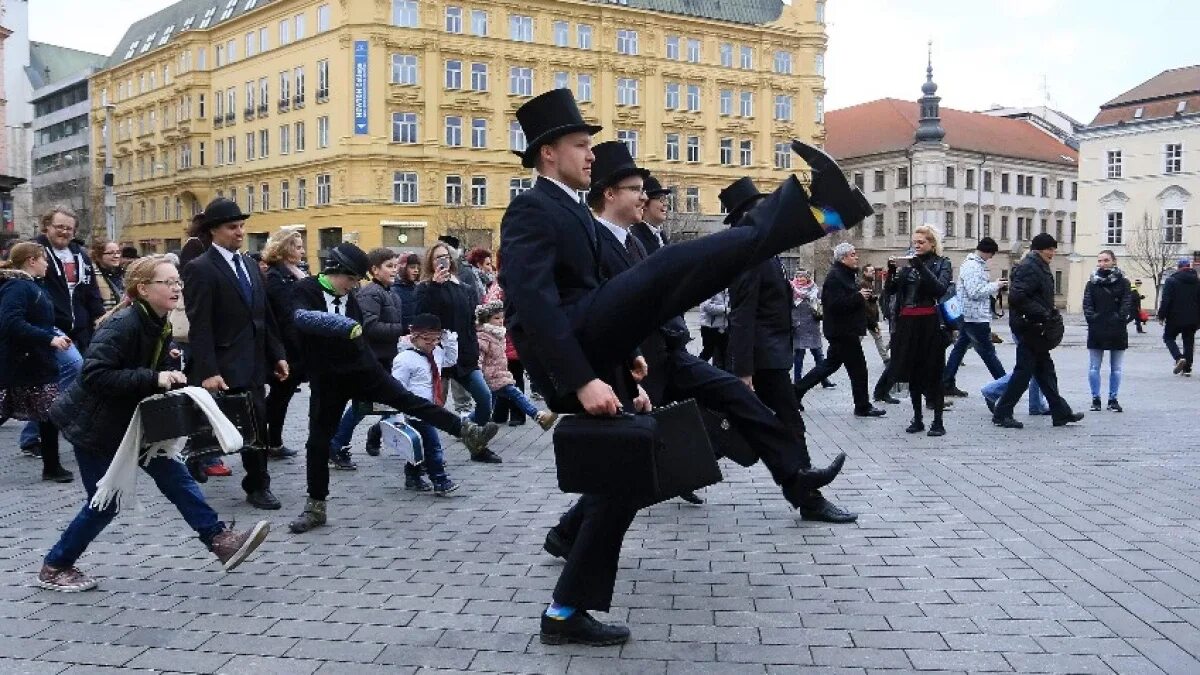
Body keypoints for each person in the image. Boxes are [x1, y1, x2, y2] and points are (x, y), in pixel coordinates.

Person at [500, 90, 867, 646]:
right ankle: (822, 208)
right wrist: (581, 380)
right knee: (678, 263)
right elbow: (533, 304)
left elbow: (600, 292)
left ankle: (564, 612)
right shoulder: (532, 209)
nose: (591, 156)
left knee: (617, 487)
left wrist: (627, 363)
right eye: (581, 145)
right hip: (575, 353)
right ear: (548, 153)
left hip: (600, 347)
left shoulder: (570, 210)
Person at [40, 255, 270, 592]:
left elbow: (149, 369)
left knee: (176, 478)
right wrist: (156, 376)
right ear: (143, 289)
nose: (177, 287)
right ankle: (55, 565)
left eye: (178, 281)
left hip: (135, 423)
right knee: (104, 503)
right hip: (95, 428)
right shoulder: (125, 324)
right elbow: (94, 374)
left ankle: (220, 540)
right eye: (169, 282)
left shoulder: (157, 321)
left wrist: (170, 369)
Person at [286, 244, 499, 533]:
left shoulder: (350, 297)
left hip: (363, 366)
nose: (352, 287)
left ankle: (467, 432)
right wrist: (341, 324)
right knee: (317, 441)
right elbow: (301, 318)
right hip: (327, 376)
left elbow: (359, 332)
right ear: (336, 272)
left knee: (409, 400)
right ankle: (315, 507)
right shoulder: (307, 289)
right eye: (350, 280)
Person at [181, 198, 289, 510]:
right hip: (224, 363)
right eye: (232, 227)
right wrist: (209, 370)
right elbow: (200, 325)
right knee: (217, 423)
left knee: (256, 425)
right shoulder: (200, 268)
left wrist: (277, 354)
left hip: (254, 362)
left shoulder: (251, 265)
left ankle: (257, 485)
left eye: (242, 226)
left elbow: (264, 315)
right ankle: (195, 459)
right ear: (214, 231)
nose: (239, 232)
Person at [21, 207, 103, 460]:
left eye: (69, 228)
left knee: (63, 381)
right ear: (46, 225)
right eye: (60, 226)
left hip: (80, 326)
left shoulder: (79, 253)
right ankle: (41, 431)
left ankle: (37, 432)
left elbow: (90, 290)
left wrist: (98, 315)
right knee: (71, 372)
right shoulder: (35, 251)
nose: (65, 232)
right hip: (49, 327)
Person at [415, 242, 501, 462]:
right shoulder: (425, 287)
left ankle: (469, 434)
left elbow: (471, 322)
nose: (442, 261)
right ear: (430, 262)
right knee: (432, 406)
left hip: (464, 355)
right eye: (437, 258)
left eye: (445, 257)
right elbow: (422, 316)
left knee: (485, 400)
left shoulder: (464, 286)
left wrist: (475, 349)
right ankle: (420, 453)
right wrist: (435, 287)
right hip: (438, 355)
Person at [991, 233, 1084, 429]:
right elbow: (1017, 297)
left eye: (1053, 249)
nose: (1053, 252)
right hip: (1030, 327)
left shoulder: (1038, 265)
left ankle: (1060, 413)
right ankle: (1002, 412)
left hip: (1036, 327)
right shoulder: (1030, 267)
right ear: (1038, 250)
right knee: (1023, 373)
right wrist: (1043, 313)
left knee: (1046, 372)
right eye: (1049, 249)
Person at [0, 243, 74, 481]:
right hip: (20, 364)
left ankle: (52, 467)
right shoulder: (18, 287)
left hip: (37, 363)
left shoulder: (34, 286)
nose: (47, 264)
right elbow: (11, 323)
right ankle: (52, 468)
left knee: (49, 414)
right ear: (31, 260)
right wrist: (50, 339)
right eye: (44, 259)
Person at [328, 248, 408, 465]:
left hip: (386, 357)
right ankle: (336, 444)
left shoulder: (390, 292)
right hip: (372, 358)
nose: (395, 270)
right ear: (374, 269)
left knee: (385, 403)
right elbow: (369, 327)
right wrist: (401, 330)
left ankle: (373, 436)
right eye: (389, 266)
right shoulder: (371, 293)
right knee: (362, 406)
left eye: (395, 265)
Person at [794, 243, 885, 417]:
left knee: (830, 365)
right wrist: (858, 297)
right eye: (852, 254)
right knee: (858, 369)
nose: (856, 257)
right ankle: (862, 406)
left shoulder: (847, 275)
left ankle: (796, 391)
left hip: (844, 330)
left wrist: (870, 321)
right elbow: (834, 305)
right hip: (843, 331)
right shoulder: (835, 277)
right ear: (843, 258)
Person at [886, 225, 952, 436]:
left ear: (932, 243)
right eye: (914, 242)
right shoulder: (907, 263)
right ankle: (917, 418)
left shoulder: (942, 262)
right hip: (907, 322)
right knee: (912, 371)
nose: (917, 245)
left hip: (930, 321)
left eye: (921, 242)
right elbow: (892, 291)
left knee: (934, 371)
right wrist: (893, 272)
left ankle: (938, 421)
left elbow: (939, 289)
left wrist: (919, 266)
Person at [391, 314, 463, 494]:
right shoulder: (404, 359)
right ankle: (440, 480)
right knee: (433, 446)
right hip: (413, 411)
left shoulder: (437, 352)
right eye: (427, 339)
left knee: (418, 447)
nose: (432, 343)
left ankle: (412, 476)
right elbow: (396, 388)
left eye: (436, 339)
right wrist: (398, 415)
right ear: (414, 337)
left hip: (431, 408)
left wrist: (449, 341)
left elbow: (451, 361)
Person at [260, 229, 307, 462]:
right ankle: (262, 438)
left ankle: (272, 441)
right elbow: (286, 316)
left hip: (293, 346)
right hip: (284, 348)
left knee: (282, 396)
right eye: (298, 247)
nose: (302, 251)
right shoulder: (277, 277)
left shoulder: (294, 274)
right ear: (286, 249)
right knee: (280, 396)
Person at [476, 301, 558, 430]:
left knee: (486, 407)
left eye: (501, 317)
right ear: (486, 319)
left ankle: (466, 426)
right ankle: (538, 416)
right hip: (492, 376)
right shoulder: (484, 337)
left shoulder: (497, 334)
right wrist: (479, 375)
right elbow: (478, 358)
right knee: (515, 394)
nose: (500, 321)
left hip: (499, 375)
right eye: (496, 318)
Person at [942, 237, 1008, 397]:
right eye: (991, 255)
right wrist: (996, 285)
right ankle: (1005, 385)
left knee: (959, 349)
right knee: (988, 353)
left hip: (969, 315)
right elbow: (975, 292)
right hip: (975, 317)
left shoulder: (974, 264)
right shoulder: (973, 266)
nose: (991, 258)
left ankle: (946, 383)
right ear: (988, 252)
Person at [1082, 249, 1132, 412]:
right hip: (1097, 326)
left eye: (1106, 260)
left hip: (1117, 327)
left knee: (1116, 368)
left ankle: (1113, 398)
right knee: (1094, 367)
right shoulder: (1092, 282)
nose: (1102, 264)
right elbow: (1087, 303)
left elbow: (1127, 302)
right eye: (1100, 261)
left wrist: (1120, 317)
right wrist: (1092, 317)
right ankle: (1095, 399)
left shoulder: (1123, 282)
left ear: (1113, 261)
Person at [790, 269, 835, 391]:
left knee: (819, 355)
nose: (800, 279)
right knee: (799, 357)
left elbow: (822, 302)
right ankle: (797, 382)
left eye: (802, 277)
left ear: (808, 278)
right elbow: (788, 307)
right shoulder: (791, 289)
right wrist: (793, 323)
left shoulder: (815, 289)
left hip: (813, 326)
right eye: (798, 277)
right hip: (799, 326)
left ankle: (824, 380)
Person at [1158, 258, 1199, 376]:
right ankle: (1187, 369)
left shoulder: (1171, 281)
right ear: (1189, 266)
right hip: (1192, 318)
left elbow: (1166, 300)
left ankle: (1178, 358)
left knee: (1168, 337)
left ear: (1178, 267)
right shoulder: (1197, 281)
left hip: (1174, 317)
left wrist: (1161, 316)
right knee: (1188, 342)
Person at [861, 264, 889, 364]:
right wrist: (872, 320)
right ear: (864, 272)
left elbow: (870, 301)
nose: (873, 273)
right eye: (871, 271)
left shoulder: (869, 283)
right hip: (866, 318)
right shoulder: (864, 284)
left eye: (874, 271)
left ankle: (886, 359)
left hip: (869, 318)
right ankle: (886, 359)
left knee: (878, 337)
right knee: (875, 338)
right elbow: (865, 304)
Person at [91, 240, 125, 312]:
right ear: (98, 256)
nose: (116, 256)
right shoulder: (92, 276)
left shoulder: (123, 274)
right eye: (111, 253)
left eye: (118, 252)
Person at [698, 290, 730, 369]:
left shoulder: (727, 290)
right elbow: (706, 306)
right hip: (709, 327)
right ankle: (697, 369)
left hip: (722, 327)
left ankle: (722, 374)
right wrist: (725, 309)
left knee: (724, 353)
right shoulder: (711, 287)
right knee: (708, 352)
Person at [391, 252, 421, 332]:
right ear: (403, 268)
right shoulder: (393, 289)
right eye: (412, 267)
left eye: (418, 268)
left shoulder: (417, 288)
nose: (416, 271)